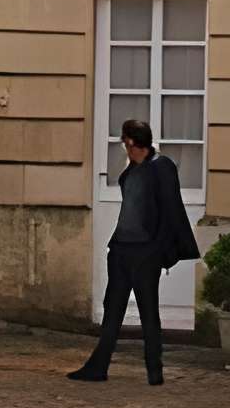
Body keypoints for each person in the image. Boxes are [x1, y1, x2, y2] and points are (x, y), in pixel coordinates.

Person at [70, 117, 198, 384]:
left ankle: (154, 370)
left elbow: (170, 210)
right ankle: (98, 366)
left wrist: (162, 251)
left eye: (128, 144)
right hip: (121, 251)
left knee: (147, 311)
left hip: (145, 252)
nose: (126, 149)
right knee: (112, 309)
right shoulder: (130, 172)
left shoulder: (161, 167)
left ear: (134, 143)